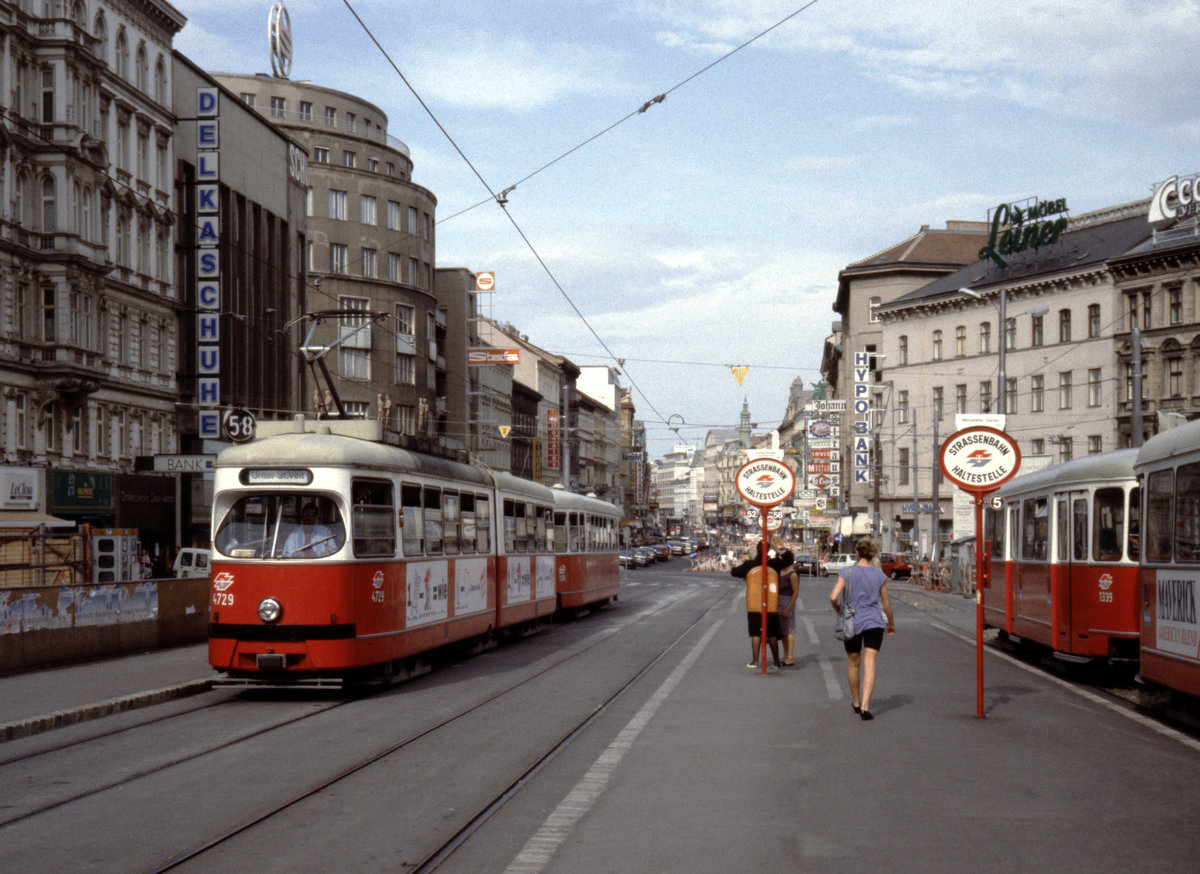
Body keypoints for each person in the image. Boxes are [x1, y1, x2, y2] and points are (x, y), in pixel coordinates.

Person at [829, 538, 895, 720]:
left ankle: (856, 701)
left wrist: (839, 610)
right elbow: (887, 604)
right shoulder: (879, 576)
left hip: (852, 622)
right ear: (872, 554)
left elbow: (834, 596)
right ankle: (866, 706)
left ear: (857, 553)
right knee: (870, 663)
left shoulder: (847, 572)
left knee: (853, 663)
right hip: (874, 622)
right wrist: (891, 623)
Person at [731, 542, 793, 670]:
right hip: (771, 604)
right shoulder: (774, 564)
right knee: (772, 634)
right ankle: (776, 662)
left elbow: (734, 572)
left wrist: (744, 572)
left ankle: (755, 661)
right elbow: (788, 559)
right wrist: (777, 549)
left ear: (757, 550)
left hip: (754, 604)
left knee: (755, 633)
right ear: (769, 551)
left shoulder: (750, 565)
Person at [777, 557, 800, 666]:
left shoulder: (793, 574)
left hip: (788, 602)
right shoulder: (780, 571)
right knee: (783, 630)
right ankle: (785, 655)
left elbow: (795, 593)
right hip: (779, 603)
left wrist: (788, 608)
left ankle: (790, 657)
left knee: (789, 629)